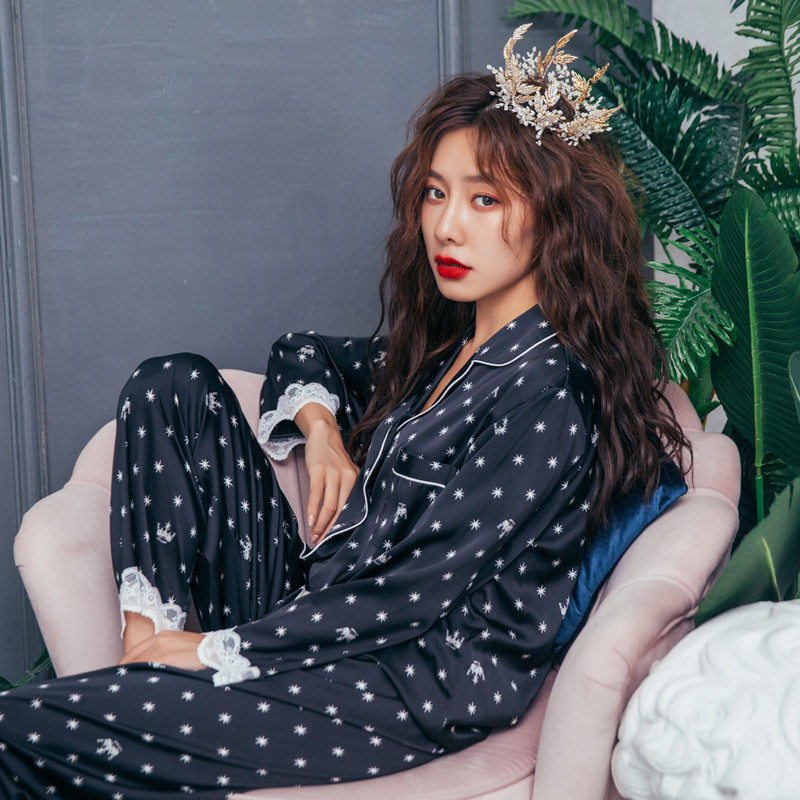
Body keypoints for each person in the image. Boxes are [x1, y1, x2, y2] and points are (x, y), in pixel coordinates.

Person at [0, 25, 688, 799]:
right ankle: (142, 649)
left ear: (556, 215)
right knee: (171, 385)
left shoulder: (547, 389)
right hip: (320, 611)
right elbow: (303, 351)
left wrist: (219, 650)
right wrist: (323, 433)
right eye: (436, 192)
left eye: (485, 199)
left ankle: (152, 682)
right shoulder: (451, 351)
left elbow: (414, 594)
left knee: (19, 733)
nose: (447, 226)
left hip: (399, 682)